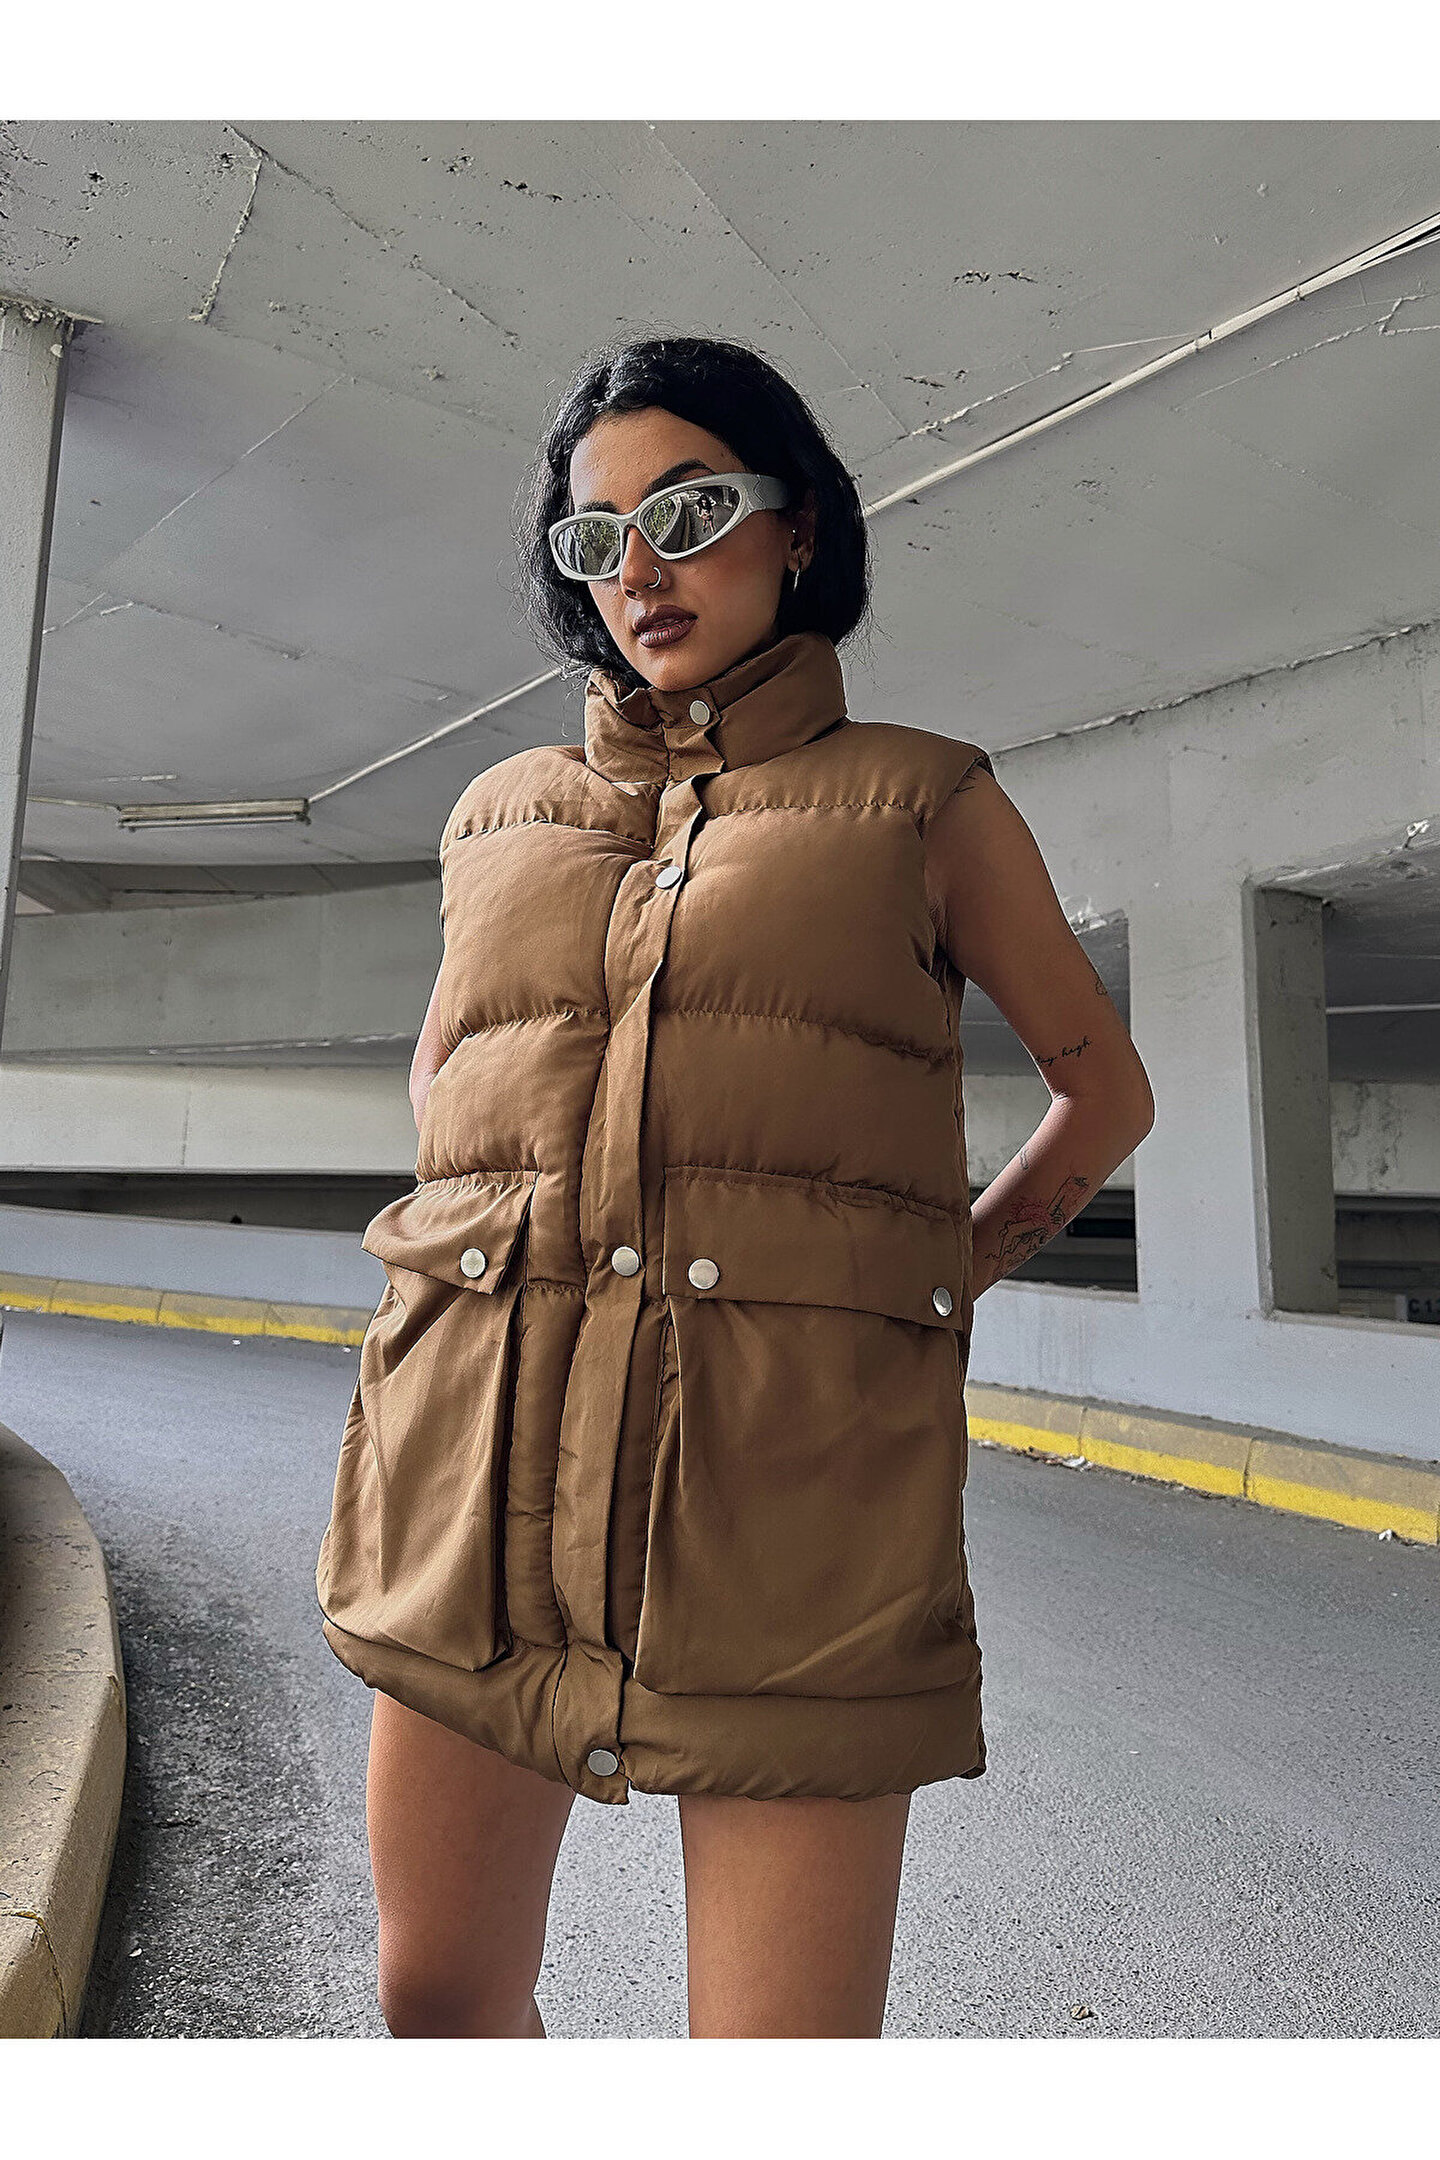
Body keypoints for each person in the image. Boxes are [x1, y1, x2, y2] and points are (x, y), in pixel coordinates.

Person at [318, 333, 1155, 2040]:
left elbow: (1104, 1093)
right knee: (437, 2009)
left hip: (792, 1519)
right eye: (595, 537)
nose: (641, 570)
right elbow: (445, 1077)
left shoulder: (922, 801)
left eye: (690, 515)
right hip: (472, 1498)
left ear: (798, 529)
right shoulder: (498, 817)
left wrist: (936, 1281)